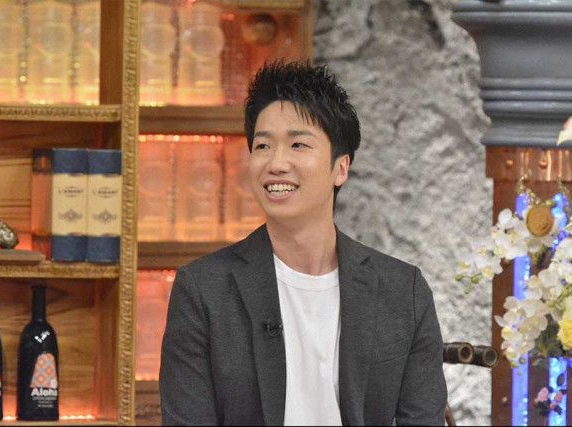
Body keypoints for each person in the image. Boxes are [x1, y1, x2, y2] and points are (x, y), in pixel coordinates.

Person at [160, 61, 447, 426]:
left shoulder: (403, 291)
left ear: (340, 168)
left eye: (298, 144)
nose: (276, 163)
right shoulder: (203, 290)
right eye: (263, 145)